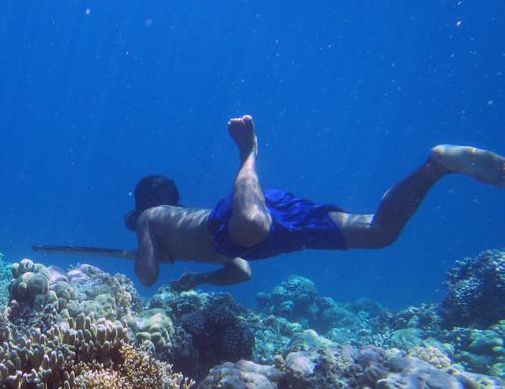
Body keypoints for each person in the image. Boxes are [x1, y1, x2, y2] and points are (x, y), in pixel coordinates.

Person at [124, 115, 505, 292]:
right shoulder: (171, 219)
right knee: (379, 232)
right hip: (261, 228)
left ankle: (248, 152)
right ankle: (434, 167)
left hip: (240, 222)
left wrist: (151, 252)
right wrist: (201, 279)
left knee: (251, 226)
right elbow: (243, 271)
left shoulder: (151, 218)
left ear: (145, 204)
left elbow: (147, 276)